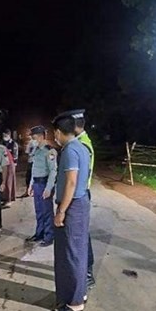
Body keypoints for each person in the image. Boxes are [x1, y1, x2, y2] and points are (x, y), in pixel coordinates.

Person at [48, 112, 91, 311]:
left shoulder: (69, 151)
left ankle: (74, 303)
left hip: (72, 206)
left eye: (54, 133)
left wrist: (61, 211)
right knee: (78, 252)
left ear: (58, 132)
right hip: (80, 204)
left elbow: (71, 183)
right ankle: (79, 294)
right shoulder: (82, 148)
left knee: (70, 254)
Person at [62, 109, 97, 288]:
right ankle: (85, 272)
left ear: (74, 126)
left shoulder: (80, 145)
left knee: (80, 238)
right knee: (80, 237)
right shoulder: (83, 141)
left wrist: (61, 210)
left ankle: (87, 273)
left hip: (79, 194)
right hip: (81, 192)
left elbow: (72, 180)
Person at [26, 125, 58, 246]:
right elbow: (34, 170)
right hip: (37, 184)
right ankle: (39, 234)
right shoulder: (36, 150)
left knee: (47, 212)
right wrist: (31, 186)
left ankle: (49, 236)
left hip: (45, 184)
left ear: (40, 137)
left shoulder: (50, 151)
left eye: (33, 138)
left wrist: (49, 188)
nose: (31, 140)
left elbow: (53, 171)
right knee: (39, 211)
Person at [2, 129, 19, 207]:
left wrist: (14, 163)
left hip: (10, 164)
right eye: (3, 136)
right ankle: (5, 198)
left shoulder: (13, 143)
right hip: (3, 164)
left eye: (6, 135)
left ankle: (9, 199)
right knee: (4, 181)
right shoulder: (2, 143)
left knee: (9, 181)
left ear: (9, 135)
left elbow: (15, 154)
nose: (4, 137)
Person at [19, 132, 37, 198]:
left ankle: (28, 191)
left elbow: (27, 152)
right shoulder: (39, 142)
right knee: (35, 177)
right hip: (37, 162)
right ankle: (34, 191)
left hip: (31, 161)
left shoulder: (30, 143)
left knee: (28, 177)